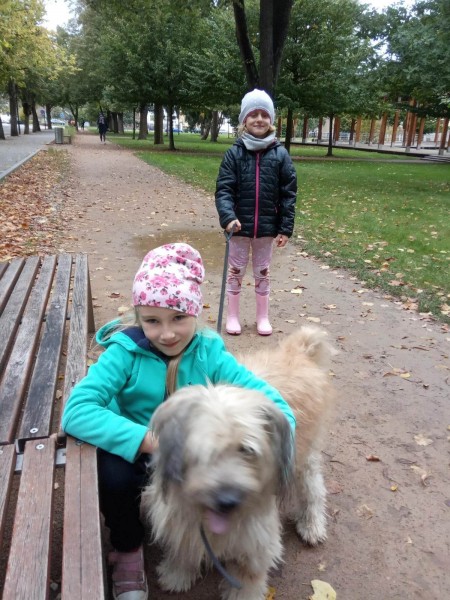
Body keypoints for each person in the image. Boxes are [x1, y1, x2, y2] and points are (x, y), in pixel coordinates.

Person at [61, 242, 295, 600]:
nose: (167, 334)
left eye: (178, 319)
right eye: (152, 321)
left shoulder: (209, 352)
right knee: (113, 478)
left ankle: (214, 541)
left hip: (198, 456)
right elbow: (76, 410)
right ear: (138, 317)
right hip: (141, 448)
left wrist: (275, 428)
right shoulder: (124, 354)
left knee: (221, 481)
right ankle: (128, 547)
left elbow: (273, 403)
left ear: (195, 313)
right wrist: (150, 441)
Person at [215, 89, 297, 336]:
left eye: (264, 114)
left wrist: (285, 228)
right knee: (236, 271)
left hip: (266, 229)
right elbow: (224, 189)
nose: (259, 119)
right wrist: (228, 217)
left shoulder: (280, 155)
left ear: (271, 120)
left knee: (262, 272)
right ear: (244, 120)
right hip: (238, 228)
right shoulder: (234, 154)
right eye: (253, 114)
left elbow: (288, 193)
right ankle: (232, 316)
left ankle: (262, 317)